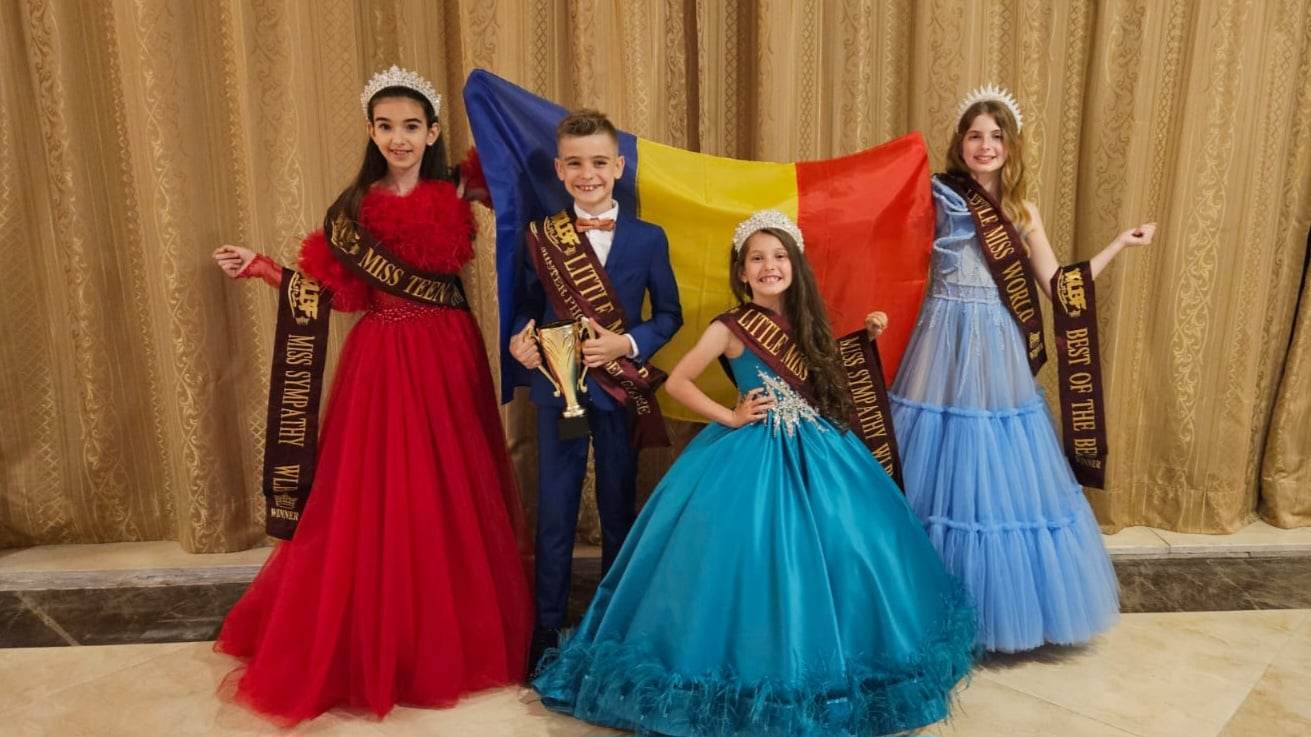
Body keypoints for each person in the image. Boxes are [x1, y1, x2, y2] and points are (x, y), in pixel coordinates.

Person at [531, 210, 976, 737]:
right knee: (740, 558)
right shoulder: (729, 327)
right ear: (742, 272)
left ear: (795, 264)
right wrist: (730, 416)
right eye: (757, 258)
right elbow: (678, 383)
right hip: (750, 455)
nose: (770, 266)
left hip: (820, 450)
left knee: (851, 546)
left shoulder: (807, 320)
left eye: (780, 256)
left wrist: (865, 337)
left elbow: (824, 375)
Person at [210, 66, 531, 724]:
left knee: (451, 487)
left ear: (433, 131)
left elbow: (526, 191)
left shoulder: (458, 187)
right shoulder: (352, 210)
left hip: (450, 354)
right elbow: (338, 294)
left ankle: (453, 631)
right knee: (383, 491)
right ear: (371, 131)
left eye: (411, 126)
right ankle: (383, 636)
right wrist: (265, 268)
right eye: (385, 126)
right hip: (383, 359)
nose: (398, 138)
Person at [889, 85, 1156, 653]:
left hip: (996, 346)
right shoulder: (937, 195)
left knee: (991, 463)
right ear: (960, 143)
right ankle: (919, 605)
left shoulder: (1022, 211)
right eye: (975, 135)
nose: (985, 145)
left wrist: (1117, 245)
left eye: (996, 136)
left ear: (1010, 146)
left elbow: (1059, 287)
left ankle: (991, 613)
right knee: (936, 460)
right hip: (941, 342)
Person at [506, 109, 682, 667]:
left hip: (618, 390)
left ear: (619, 167)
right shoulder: (539, 236)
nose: (588, 174)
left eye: (599, 163)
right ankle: (547, 627)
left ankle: (612, 623)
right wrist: (519, 340)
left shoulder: (649, 238)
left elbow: (669, 315)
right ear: (560, 170)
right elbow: (527, 306)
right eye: (576, 164)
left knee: (617, 506)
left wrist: (626, 344)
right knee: (555, 511)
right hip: (557, 389)